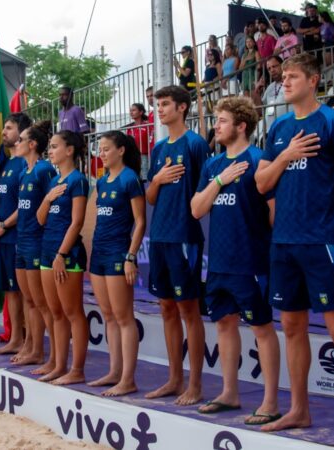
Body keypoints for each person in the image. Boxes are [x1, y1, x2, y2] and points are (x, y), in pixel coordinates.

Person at [254, 52, 334, 450]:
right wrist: (286, 156)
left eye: (290, 77)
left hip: (324, 242)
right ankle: (299, 409)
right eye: (282, 76)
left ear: (313, 80)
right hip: (284, 242)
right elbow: (260, 183)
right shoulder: (280, 127)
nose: (283, 82)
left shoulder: (333, 123)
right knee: (291, 328)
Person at [191, 96, 282, 425]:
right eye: (216, 119)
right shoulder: (214, 166)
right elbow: (197, 209)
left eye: (223, 120)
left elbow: (274, 214)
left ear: (241, 126)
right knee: (225, 325)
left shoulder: (259, 160)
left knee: (262, 328)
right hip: (218, 263)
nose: (216, 125)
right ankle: (229, 393)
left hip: (251, 263)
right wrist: (220, 181)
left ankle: (270, 401)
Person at [144, 85, 209, 405]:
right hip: (160, 236)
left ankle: (195, 384)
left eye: (166, 103)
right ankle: (174, 379)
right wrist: (157, 180)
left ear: (182, 107)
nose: (160, 109)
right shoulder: (158, 149)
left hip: (184, 236)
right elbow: (150, 198)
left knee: (189, 311)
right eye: (158, 104)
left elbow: (203, 197)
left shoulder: (195, 144)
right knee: (166, 308)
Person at [87, 130, 146, 397]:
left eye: (106, 149)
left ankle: (128, 378)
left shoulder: (129, 179)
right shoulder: (102, 181)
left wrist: (130, 257)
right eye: (100, 149)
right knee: (108, 315)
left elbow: (141, 221)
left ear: (120, 150)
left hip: (118, 253)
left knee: (123, 317)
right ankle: (114, 371)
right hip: (98, 253)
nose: (102, 153)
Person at [36, 130, 89, 385]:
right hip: (47, 250)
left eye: (55, 146)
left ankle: (77, 369)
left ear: (69, 150)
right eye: (49, 146)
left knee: (72, 312)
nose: (50, 151)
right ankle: (59, 365)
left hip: (66, 253)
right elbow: (40, 218)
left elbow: (77, 222)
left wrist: (61, 254)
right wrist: (47, 198)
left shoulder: (78, 180)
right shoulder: (53, 182)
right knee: (55, 312)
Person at [12, 121, 58, 372]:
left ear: (32, 145)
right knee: (28, 299)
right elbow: (23, 208)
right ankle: (31, 346)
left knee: (41, 302)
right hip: (22, 237)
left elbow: (51, 205)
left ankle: (43, 352)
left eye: (20, 140)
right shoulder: (23, 172)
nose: (16, 144)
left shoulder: (43, 170)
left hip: (38, 240)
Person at [0, 113, 32, 356]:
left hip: (16, 235)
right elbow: (4, 197)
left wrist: (4, 224)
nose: (3, 132)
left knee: (23, 292)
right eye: (4, 127)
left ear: (22, 132)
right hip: (2, 235)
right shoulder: (4, 163)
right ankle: (15, 338)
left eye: (9, 128)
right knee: (10, 291)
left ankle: (29, 341)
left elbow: (26, 204)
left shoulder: (26, 163)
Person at [254, 56, 289, 124]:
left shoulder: (291, 83)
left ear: (283, 65)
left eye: (274, 66)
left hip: (287, 128)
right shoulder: (270, 87)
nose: (272, 70)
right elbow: (260, 111)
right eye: (269, 69)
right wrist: (257, 93)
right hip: (269, 129)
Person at [126, 103, 151, 171]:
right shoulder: (130, 128)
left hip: (145, 155)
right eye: (130, 110)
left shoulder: (147, 125)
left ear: (141, 112)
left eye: (133, 110)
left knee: (144, 177)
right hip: (132, 156)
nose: (131, 112)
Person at [256, 19, 277, 83]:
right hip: (262, 66)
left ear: (266, 26)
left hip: (270, 65)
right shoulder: (257, 41)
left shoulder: (271, 38)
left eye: (263, 25)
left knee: (271, 82)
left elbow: (275, 51)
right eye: (259, 25)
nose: (261, 26)